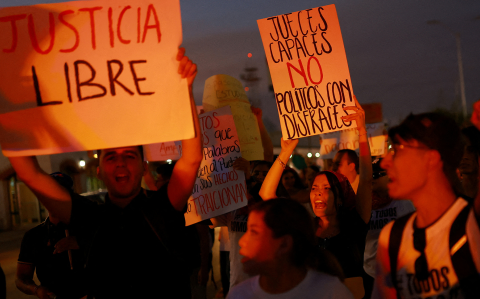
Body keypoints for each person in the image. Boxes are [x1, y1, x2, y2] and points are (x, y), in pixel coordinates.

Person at [7, 47, 202, 299]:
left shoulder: (164, 206)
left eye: (129, 155)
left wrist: (184, 89)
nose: (120, 162)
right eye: (111, 156)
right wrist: (11, 107)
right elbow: (30, 174)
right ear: (99, 171)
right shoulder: (87, 217)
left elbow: (192, 159)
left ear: (144, 167)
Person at [259, 96, 372, 299]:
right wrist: (285, 152)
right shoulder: (305, 227)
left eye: (326, 188)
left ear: (340, 197)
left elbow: (365, 181)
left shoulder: (355, 223)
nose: (318, 192)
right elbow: (266, 194)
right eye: (314, 188)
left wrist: (362, 132)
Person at [373, 111, 480, 298]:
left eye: (397, 150)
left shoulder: (473, 227)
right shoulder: (392, 238)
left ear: (431, 158)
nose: (385, 162)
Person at [227, 198, 353, 299]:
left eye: (254, 232)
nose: (242, 241)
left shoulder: (331, 292)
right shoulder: (239, 294)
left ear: (284, 244)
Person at [16, 172, 87, 299]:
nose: (54, 198)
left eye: (60, 193)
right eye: (49, 193)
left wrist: (83, 242)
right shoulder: (34, 236)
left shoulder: (88, 228)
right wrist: (36, 289)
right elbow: (21, 278)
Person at [363, 158, 415, 298]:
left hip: (400, 272)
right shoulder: (363, 202)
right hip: (370, 272)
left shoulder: (406, 200)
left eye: (377, 175)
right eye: (370, 175)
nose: (372, 178)